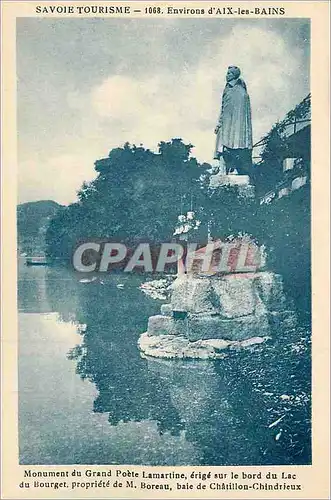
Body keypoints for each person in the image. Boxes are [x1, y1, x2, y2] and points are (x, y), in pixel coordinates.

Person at [214, 66, 253, 175]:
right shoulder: (227, 89)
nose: (227, 76)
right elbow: (223, 108)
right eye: (227, 73)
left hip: (237, 126)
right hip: (226, 123)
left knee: (236, 144)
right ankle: (222, 169)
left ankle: (234, 168)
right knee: (222, 145)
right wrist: (219, 123)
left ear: (234, 75)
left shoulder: (241, 92)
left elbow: (243, 113)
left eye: (229, 74)